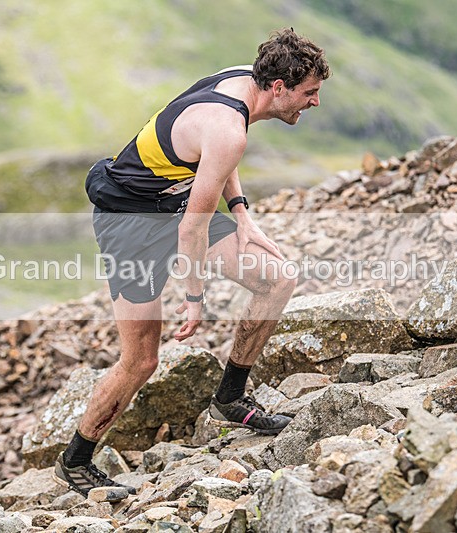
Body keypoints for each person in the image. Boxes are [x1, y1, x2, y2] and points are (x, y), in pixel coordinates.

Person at [53, 28, 330, 499]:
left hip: (174, 205)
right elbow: (194, 226)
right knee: (141, 360)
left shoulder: (244, 86)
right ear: (279, 88)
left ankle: (230, 398)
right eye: (310, 94)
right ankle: (75, 461)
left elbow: (217, 158)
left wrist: (242, 214)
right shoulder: (229, 128)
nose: (315, 103)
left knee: (278, 278)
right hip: (129, 225)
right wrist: (194, 298)